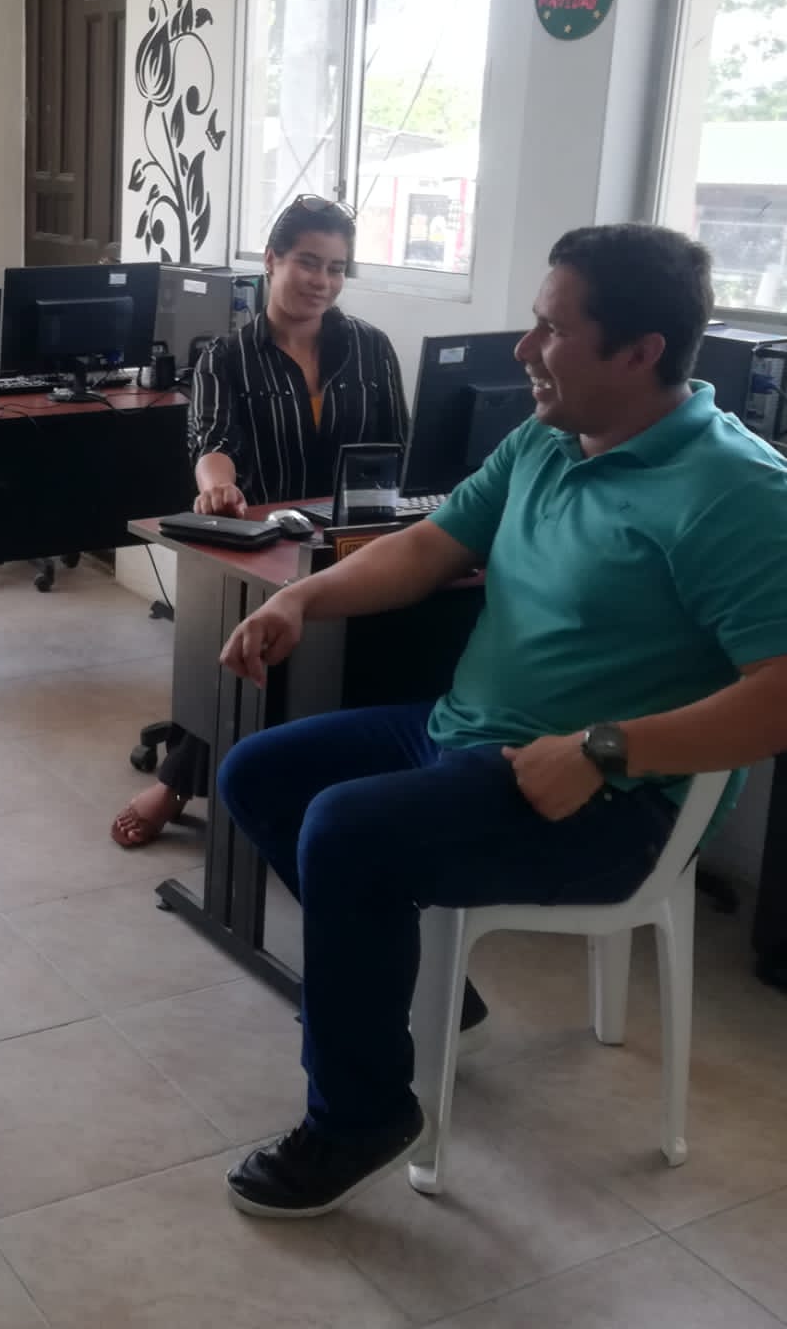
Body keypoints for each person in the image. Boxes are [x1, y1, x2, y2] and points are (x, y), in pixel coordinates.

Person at [213, 223, 787, 1218]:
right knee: (258, 773)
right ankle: (420, 993)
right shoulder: (546, 439)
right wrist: (302, 599)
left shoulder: (736, 492)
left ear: (640, 352)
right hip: (466, 736)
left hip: (612, 801)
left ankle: (359, 1117)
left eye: (551, 329)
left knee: (346, 830)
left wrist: (608, 749)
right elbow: (429, 546)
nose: (524, 349)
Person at [112, 195, 407, 849]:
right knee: (238, 648)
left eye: (335, 268)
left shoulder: (372, 349)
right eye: (307, 261)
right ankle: (178, 781)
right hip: (263, 547)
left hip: (354, 539)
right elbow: (212, 441)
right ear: (271, 260)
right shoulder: (226, 356)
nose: (321, 281)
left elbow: (398, 448)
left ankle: (337, 785)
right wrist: (217, 487)